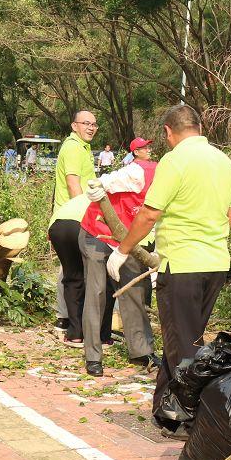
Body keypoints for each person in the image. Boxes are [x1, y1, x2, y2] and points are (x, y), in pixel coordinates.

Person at [107, 104, 231, 438]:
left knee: (185, 347)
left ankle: (189, 421)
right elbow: (230, 215)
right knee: (182, 338)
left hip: (182, 265)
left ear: (168, 132)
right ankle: (164, 411)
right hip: (215, 264)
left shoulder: (174, 161)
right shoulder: (225, 163)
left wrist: (122, 251)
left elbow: (149, 214)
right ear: (199, 127)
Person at [78, 137, 161, 377]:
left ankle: (142, 351)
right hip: (97, 233)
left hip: (127, 240)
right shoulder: (138, 173)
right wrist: (96, 186)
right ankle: (93, 356)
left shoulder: (171, 186)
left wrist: (157, 253)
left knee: (134, 290)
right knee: (97, 293)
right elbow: (106, 180)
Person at [48, 110, 98, 347]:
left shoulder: (82, 148)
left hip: (71, 217)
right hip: (73, 217)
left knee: (71, 271)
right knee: (74, 273)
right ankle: (67, 320)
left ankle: (70, 322)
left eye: (94, 124)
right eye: (86, 123)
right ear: (74, 126)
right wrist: (85, 215)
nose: (90, 127)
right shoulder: (73, 148)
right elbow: (72, 184)